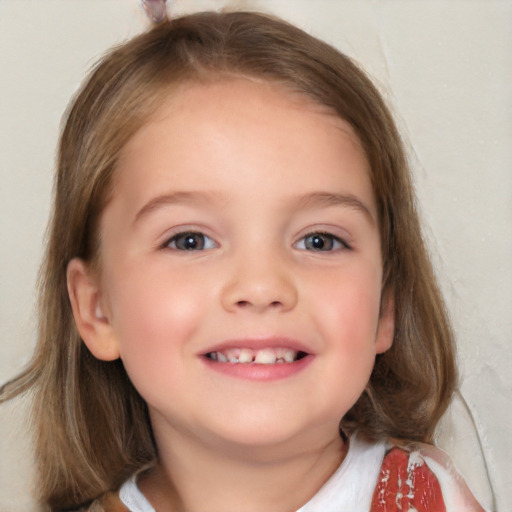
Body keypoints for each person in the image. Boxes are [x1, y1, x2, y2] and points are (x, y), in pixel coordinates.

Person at [0, 10, 485, 512]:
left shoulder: (431, 500)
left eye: (319, 241)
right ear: (97, 309)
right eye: (190, 241)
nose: (260, 285)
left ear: (385, 307)